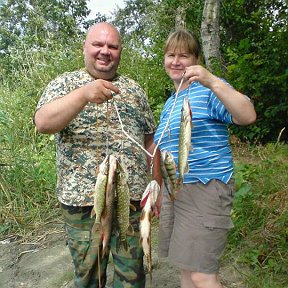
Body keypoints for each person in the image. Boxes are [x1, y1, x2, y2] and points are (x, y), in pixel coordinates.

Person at [34, 22, 161, 288]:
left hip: (132, 202)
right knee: (90, 277)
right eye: (98, 44)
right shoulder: (65, 84)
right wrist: (83, 94)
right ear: (85, 48)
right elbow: (43, 123)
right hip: (83, 205)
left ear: (120, 52)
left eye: (112, 46)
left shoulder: (135, 90)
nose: (105, 51)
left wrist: (156, 184)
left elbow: (150, 141)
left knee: (132, 277)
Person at [154, 29, 256, 288]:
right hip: (175, 191)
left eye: (184, 56)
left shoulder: (209, 89)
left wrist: (212, 80)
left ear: (196, 60)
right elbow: (161, 149)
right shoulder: (170, 103)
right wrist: (157, 190)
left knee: (202, 274)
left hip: (206, 187)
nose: (176, 61)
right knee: (187, 269)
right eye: (170, 55)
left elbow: (247, 116)